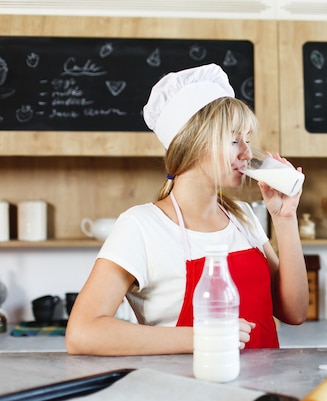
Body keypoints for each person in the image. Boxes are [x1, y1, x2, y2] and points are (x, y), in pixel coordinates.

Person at [66, 63, 309, 356]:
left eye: (248, 140)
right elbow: (82, 332)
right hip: (185, 394)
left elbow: (294, 312)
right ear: (193, 143)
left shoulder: (242, 216)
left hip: (263, 393)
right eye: (234, 140)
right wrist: (206, 336)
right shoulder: (141, 226)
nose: (247, 153)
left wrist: (284, 219)